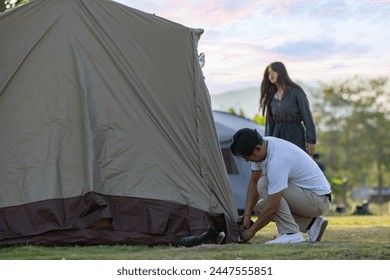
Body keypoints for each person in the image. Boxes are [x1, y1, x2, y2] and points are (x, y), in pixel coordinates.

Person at [230, 128, 331, 244]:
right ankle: (312, 224)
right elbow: (253, 181)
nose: (247, 161)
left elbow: (273, 205)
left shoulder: (277, 161)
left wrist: (252, 231)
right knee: (260, 207)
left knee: (264, 184)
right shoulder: (264, 145)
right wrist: (247, 216)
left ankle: (290, 233)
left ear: (257, 149)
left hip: (318, 200)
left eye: (247, 157)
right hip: (309, 197)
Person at [260, 61, 317, 156]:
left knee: (296, 164)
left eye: (274, 71)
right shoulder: (271, 98)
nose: (271, 75)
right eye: (269, 73)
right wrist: (267, 144)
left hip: (295, 135)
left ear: (281, 71)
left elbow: (307, 116)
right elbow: (269, 123)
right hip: (277, 138)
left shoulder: (296, 92)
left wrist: (311, 140)